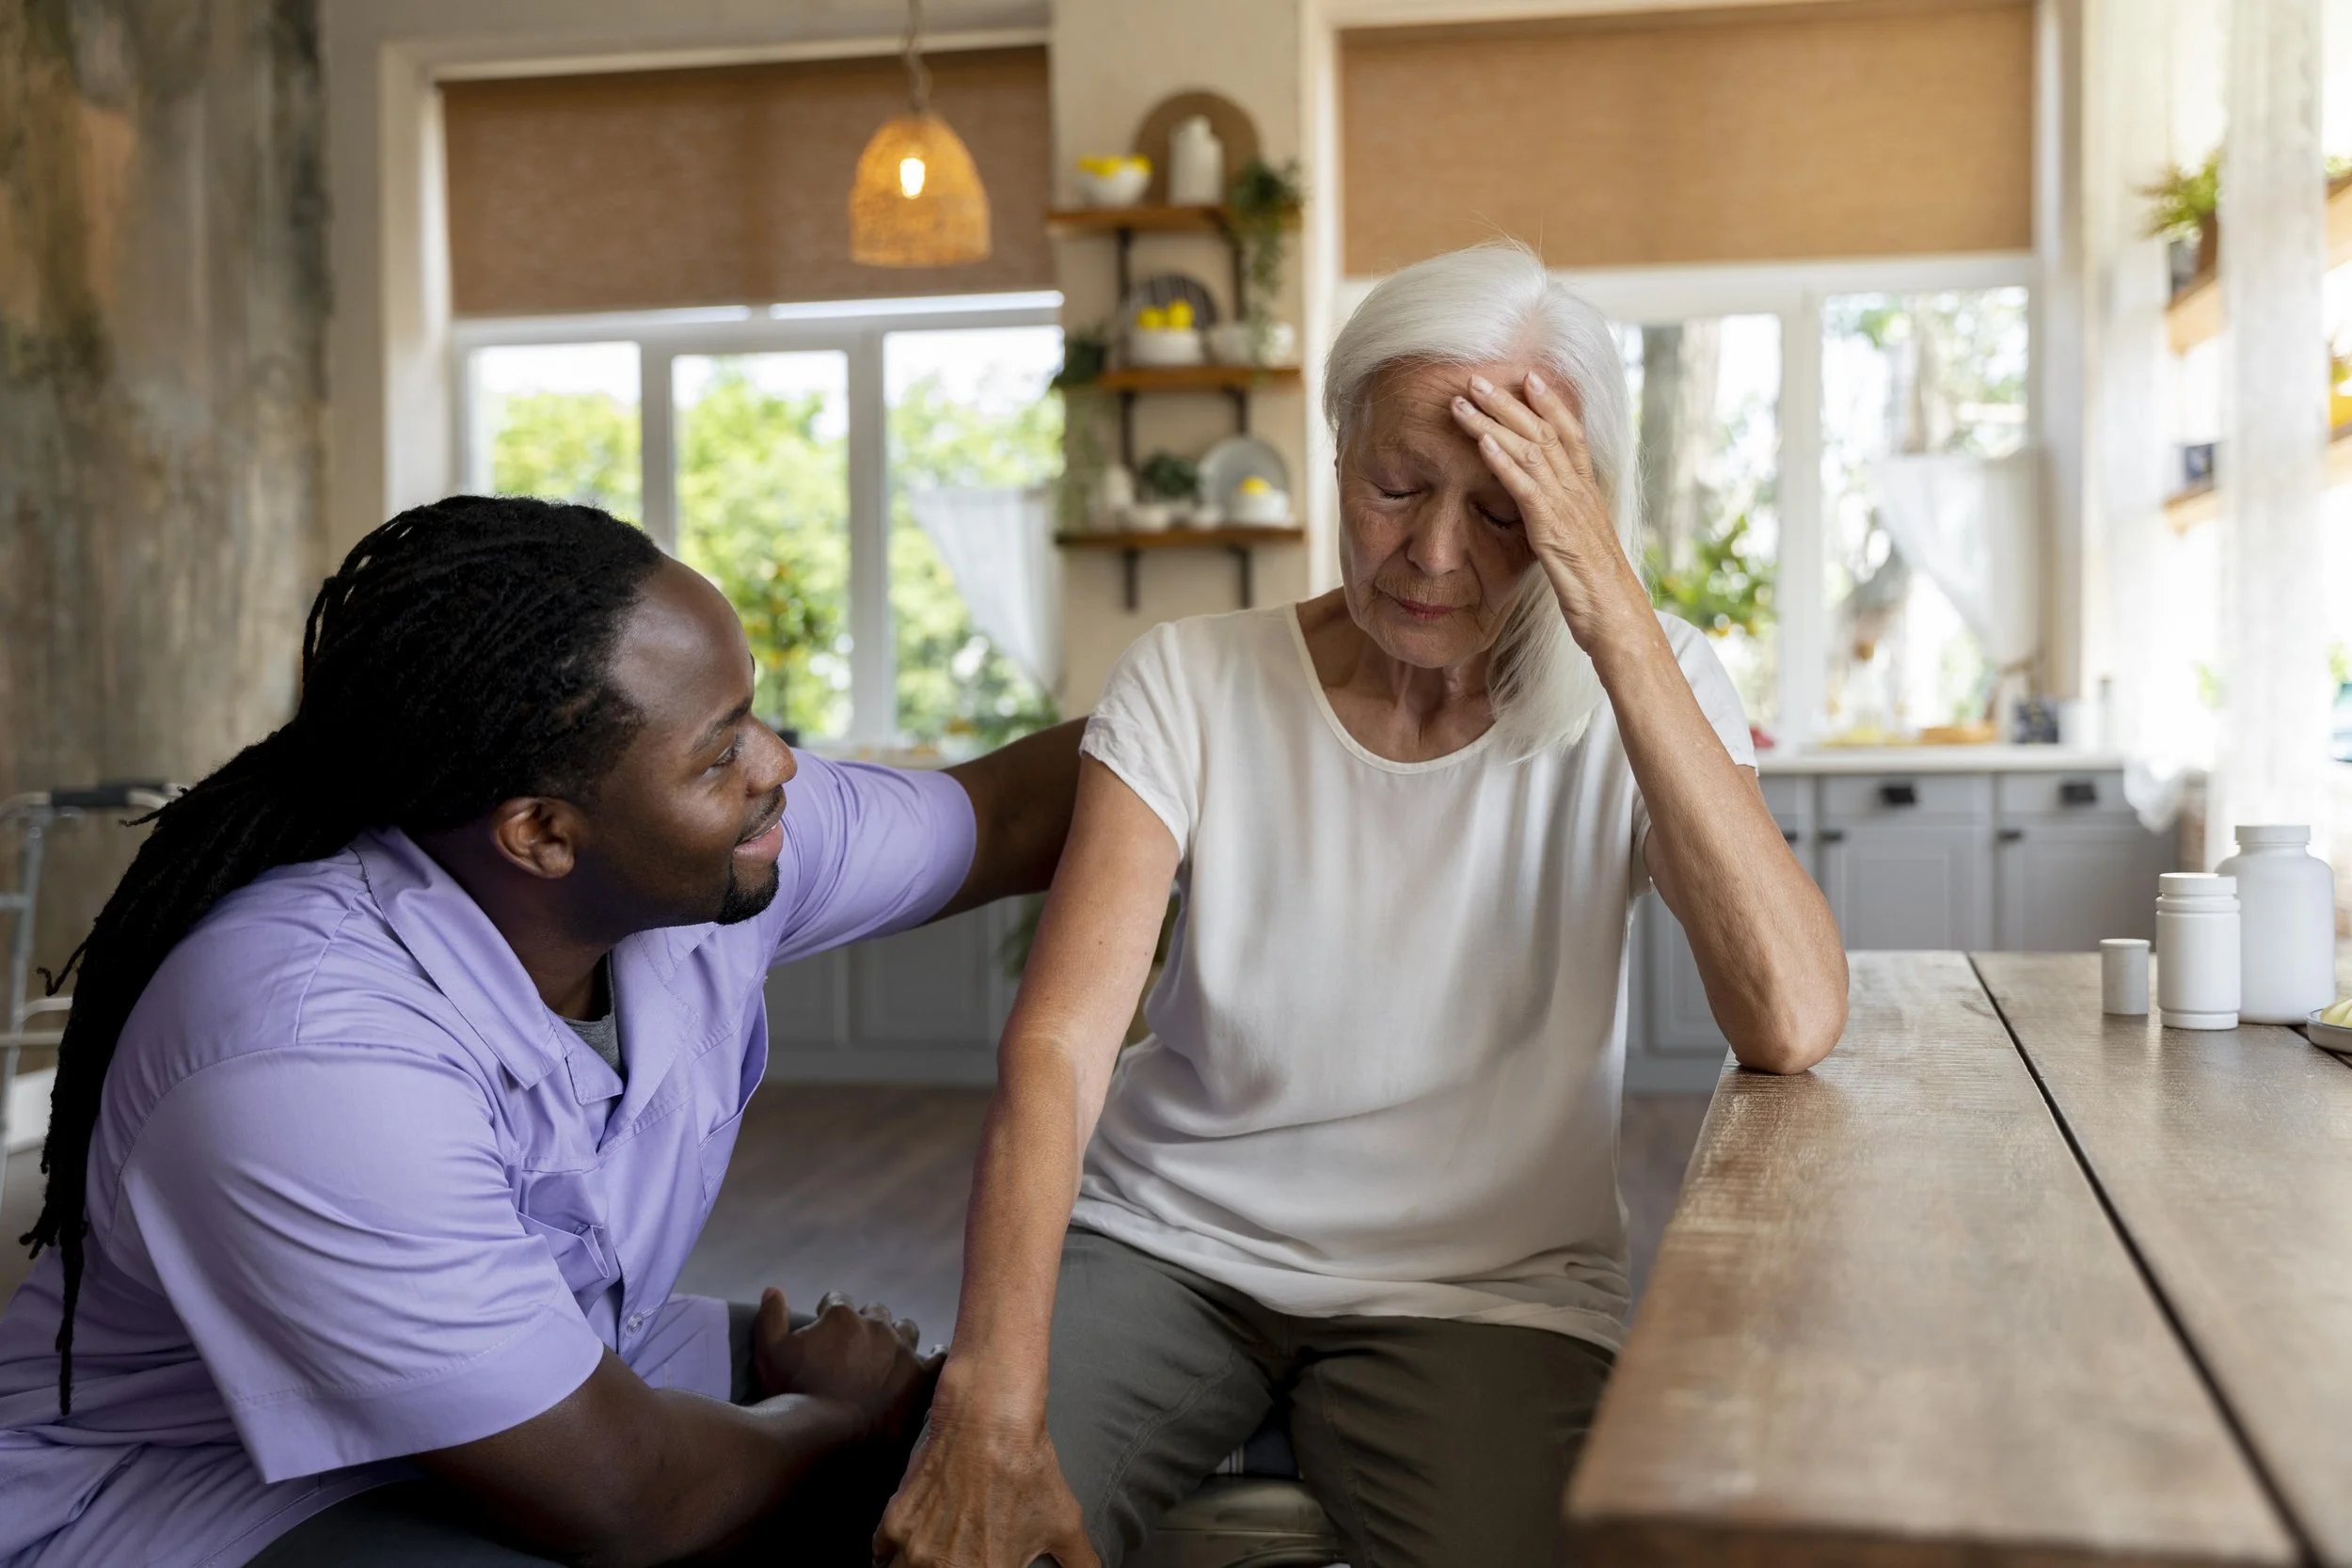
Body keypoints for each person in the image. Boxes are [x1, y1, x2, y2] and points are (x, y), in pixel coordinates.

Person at [874, 243, 1849, 1568]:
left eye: (1505, 508)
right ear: (1338, 451)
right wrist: (986, 1394)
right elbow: (1060, 1044)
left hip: (1487, 1292)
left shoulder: (1649, 687)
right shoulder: (1191, 678)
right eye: (1396, 486)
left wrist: (1607, 598)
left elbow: (1789, 1015)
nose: (1435, 554)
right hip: (1172, 1243)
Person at [0, 497, 1083, 1568]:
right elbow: (626, 1500)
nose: (778, 766)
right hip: (190, 1490)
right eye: (719, 754)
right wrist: (835, 1418)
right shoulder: (309, 1053)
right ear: (543, 833)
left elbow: (1018, 812)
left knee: (980, 1436)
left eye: (754, 714)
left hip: (562, 1374)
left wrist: (1231, 695)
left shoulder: (703, 847)